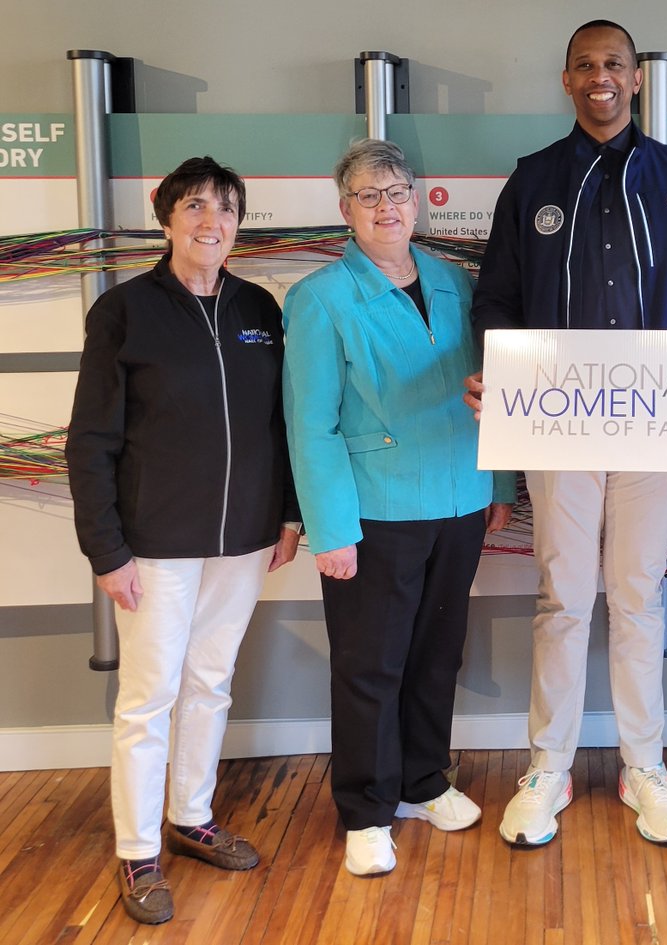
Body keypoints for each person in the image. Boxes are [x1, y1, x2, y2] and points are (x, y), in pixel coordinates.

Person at [467, 19, 667, 847]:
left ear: (636, 79)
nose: (600, 78)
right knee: (561, 595)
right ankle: (547, 767)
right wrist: (496, 376)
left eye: (614, 64)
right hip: (559, 428)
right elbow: (497, 300)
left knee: (635, 594)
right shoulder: (535, 181)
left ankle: (642, 767)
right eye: (584, 65)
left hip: (656, 424)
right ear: (565, 80)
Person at [66, 156, 300, 925]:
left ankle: (191, 816)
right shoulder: (125, 311)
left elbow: (280, 424)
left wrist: (289, 514)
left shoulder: (260, 306)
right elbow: (91, 438)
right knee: (148, 699)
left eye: (226, 208)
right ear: (166, 219)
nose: (212, 221)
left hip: (243, 539)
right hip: (154, 544)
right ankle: (137, 853)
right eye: (195, 207)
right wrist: (107, 549)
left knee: (210, 682)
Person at [282, 139, 514, 878]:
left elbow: (498, 388)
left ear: (418, 201)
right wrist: (330, 528)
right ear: (345, 210)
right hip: (373, 511)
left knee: (437, 654)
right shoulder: (319, 298)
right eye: (369, 195)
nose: (387, 206)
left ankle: (423, 780)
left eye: (398, 191)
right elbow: (309, 424)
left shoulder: (455, 282)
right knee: (369, 665)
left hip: (459, 498)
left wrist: (500, 485)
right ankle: (367, 808)